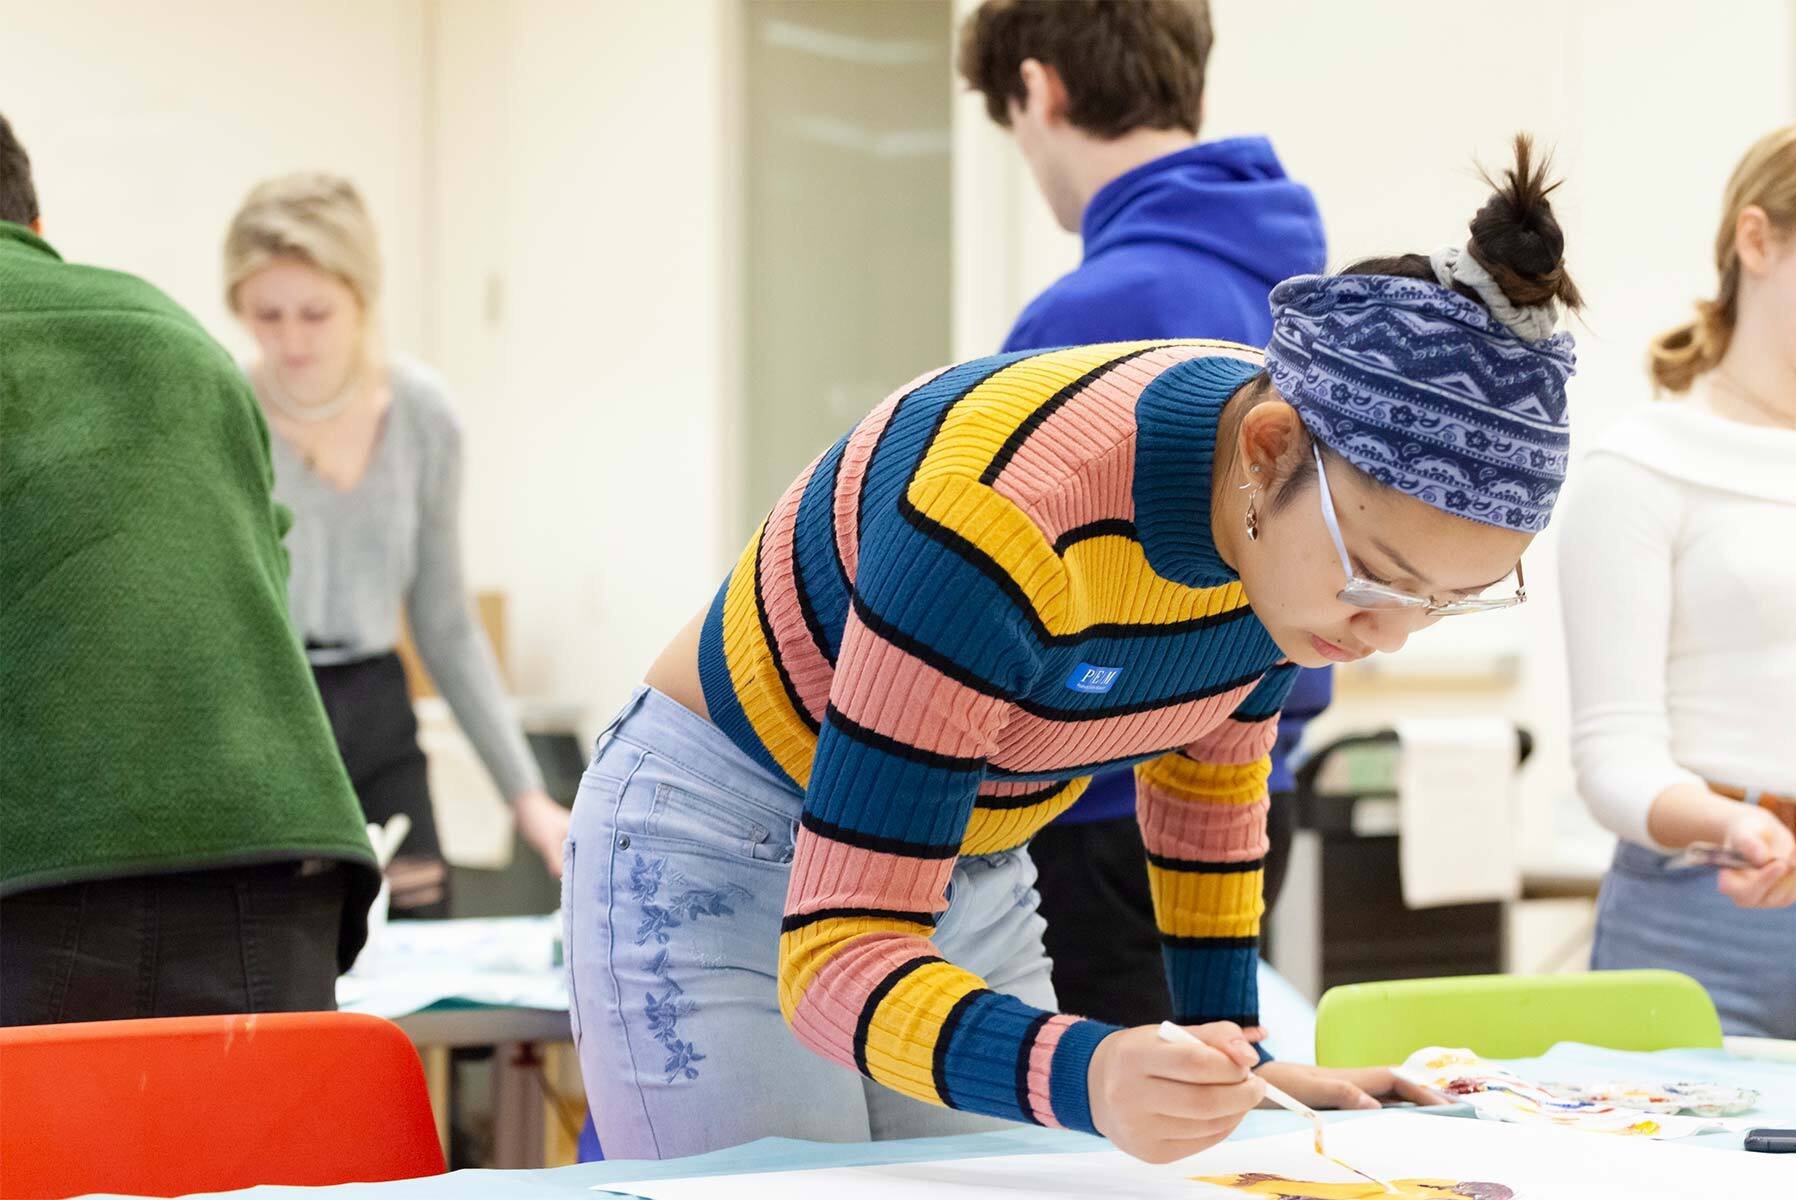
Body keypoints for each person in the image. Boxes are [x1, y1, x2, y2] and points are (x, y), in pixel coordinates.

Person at [566, 136, 1575, 1162]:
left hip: (969, 853)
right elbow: (839, 957)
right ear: (1267, 452)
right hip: (725, 835)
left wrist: (1238, 1053)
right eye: (1377, 575)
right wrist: (1085, 1071)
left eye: (1448, 602)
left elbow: (1208, 779)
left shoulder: (1286, 541)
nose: (1389, 635)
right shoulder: (1000, 518)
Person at [958, 0, 1332, 1023]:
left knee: (1103, 1155)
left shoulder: (1085, 319)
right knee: (1209, 1116)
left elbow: (989, 600)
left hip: (1105, 813)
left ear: (1038, 89)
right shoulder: (1306, 288)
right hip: (1260, 790)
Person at [0, 113, 380, 1024]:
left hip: (38, 874)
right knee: (247, 1167)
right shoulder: (174, 334)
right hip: (278, 863)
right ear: (38, 231)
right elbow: (261, 565)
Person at [221, 174, 570, 917]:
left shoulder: (422, 414)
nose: (289, 340)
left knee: (417, 944)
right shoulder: (229, 407)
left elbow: (445, 623)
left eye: (315, 313)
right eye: (265, 314)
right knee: (289, 960)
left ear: (361, 299)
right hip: (269, 713)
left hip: (381, 713)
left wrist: (527, 797)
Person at [1560, 124, 1796, 1038]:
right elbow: (1612, 756)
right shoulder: (1644, 467)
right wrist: (1734, 827)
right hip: (1705, 917)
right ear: (1758, 239)